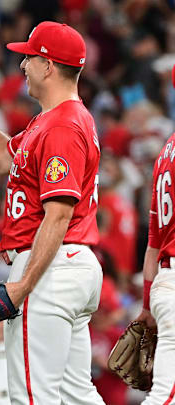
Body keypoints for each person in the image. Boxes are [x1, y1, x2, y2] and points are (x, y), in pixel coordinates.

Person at [0, 21, 104, 404]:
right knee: (76, 394)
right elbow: (1, 157)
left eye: (28, 57)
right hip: (68, 264)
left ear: (48, 65)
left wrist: (22, 287)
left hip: (48, 266)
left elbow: (58, 215)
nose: (21, 65)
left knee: (32, 396)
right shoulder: (52, 121)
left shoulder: (62, 125)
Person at [135, 66, 175, 405]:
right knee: (166, 396)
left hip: (164, 279)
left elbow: (151, 246)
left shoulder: (165, 151)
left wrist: (148, 305)